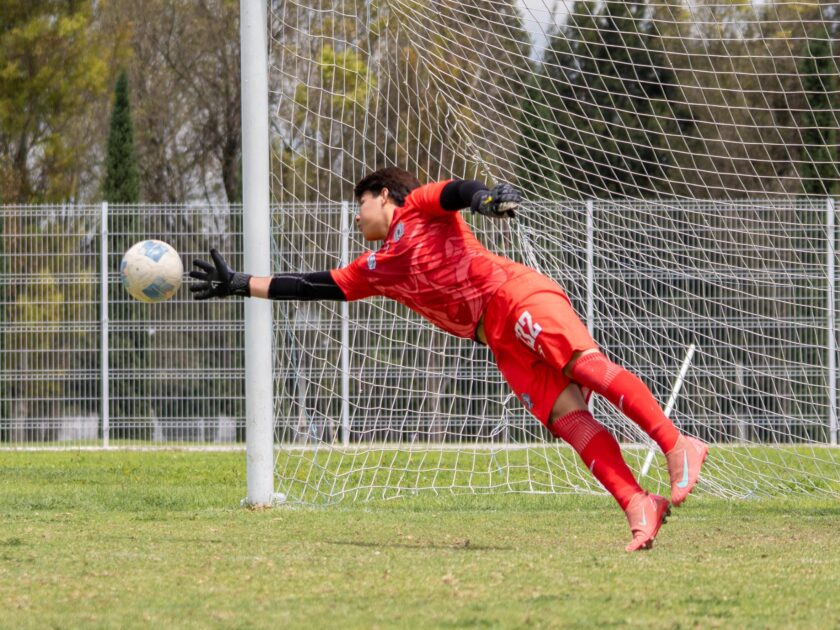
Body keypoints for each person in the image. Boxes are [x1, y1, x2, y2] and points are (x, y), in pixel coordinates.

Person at [190, 166, 708, 551]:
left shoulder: (416, 205)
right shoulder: (376, 266)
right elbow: (312, 285)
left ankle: (674, 442)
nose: (355, 213)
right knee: (566, 418)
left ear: (385, 196)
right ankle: (638, 502)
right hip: (496, 338)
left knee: (583, 365)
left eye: (360, 201)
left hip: (515, 294)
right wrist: (240, 284)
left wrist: (485, 200)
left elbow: (457, 193)